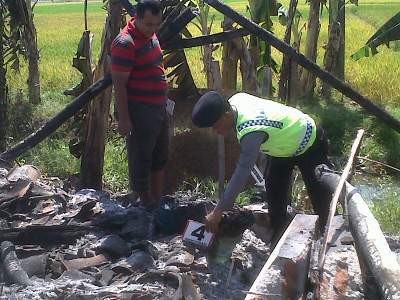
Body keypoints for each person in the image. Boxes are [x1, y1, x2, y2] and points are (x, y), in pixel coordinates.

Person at [191, 91, 333, 236]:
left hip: (308, 141)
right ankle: (278, 235)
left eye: (215, 126)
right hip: (282, 146)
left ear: (227, 114)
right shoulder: (236, 100)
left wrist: (218, 211)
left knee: (319, 194)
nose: (216, 131)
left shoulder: (251, 130)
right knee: (275, 193)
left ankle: (325, 235)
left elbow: (242, 171)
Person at [111, 0, 168, 210]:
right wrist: (124, 118)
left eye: (156, 25)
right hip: (140, 108)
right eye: (148, 25)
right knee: (141, 157)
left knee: (160, 156)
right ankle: (143, 204)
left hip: (158, 106)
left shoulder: (150, 35)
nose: (152, 29)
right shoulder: (125, 43)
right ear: (136, 17)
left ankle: (157, 200)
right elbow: (119, 85)